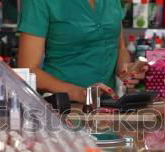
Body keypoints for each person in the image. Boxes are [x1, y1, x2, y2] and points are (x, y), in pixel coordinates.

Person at [17, 0, 145, 103]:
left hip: (108, 105)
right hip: (62, 105)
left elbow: (119, 48)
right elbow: (28, 69)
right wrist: (78, 93)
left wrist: (126, 71)